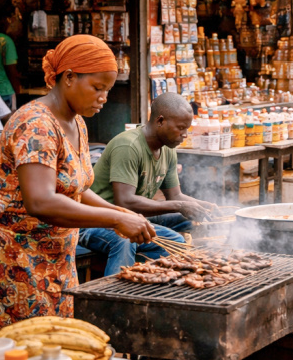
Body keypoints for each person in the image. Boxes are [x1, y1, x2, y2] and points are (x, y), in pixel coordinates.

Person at [0, 35, 155, 332]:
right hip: (8, 251)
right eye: (97, 88)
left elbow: (76, 186)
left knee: (55, 342)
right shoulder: (36, 123)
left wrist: (122, 215)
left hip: (51, 254)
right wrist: (115, 218)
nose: (103, 97)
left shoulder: (76, 121)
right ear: (68, 78)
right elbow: (42, 201)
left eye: (107, 89)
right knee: (21, 349)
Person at [78, 93, 216, 277]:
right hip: (95, 221)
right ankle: (117, 294)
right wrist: (180, 206)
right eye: (181, 128)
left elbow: (176, 197)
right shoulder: (128, 146)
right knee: (124, 241)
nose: (185, 134)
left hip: (135, 217)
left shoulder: (168, 149)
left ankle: (148, 277)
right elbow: (124, 203)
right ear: (160, 121)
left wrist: (203, 207)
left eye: (187, 129)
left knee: (181, 229)